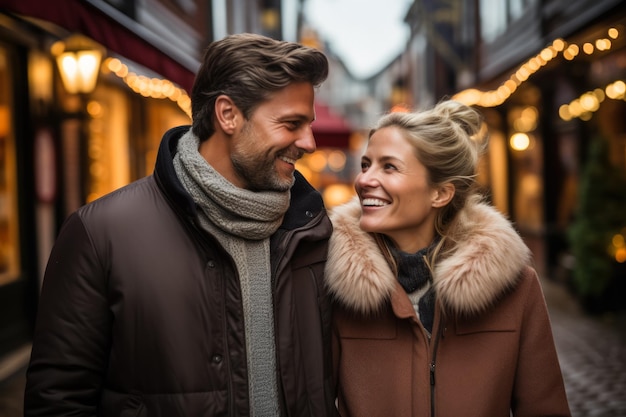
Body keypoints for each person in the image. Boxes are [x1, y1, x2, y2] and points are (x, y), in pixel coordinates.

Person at [24, 33, 338, 416]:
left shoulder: (314, 232)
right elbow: (59, 400)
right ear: (228, 114)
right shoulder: (100, 233)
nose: (308, 143)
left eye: (309, 124)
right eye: (291, 124)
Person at [325, 100, 571, 417]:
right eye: (365, 165)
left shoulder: (517, 288)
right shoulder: (333, 284)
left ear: (440, 193)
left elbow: (544, 408)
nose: (363, 180)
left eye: (389, 166)